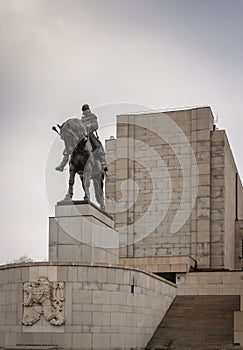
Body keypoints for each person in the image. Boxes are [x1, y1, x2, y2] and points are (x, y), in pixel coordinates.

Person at [81, 104, 108, 171]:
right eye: (85, 110)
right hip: (83, 135)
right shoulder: (82, 120)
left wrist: (89, 126)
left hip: (90, 134)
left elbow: (96, 125)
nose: (86, 111)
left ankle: (103, 163)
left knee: (98, 146)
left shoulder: (93, 116)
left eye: (87, 109)